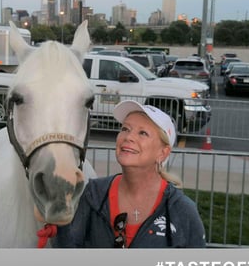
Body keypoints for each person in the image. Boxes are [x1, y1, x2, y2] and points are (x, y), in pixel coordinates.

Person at [54, 100, 206, 248]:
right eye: (125, 129)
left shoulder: (181, 211)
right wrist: (61, 220)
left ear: (163, 152)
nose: (128, 137)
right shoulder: (94, 194)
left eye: (143, 133)